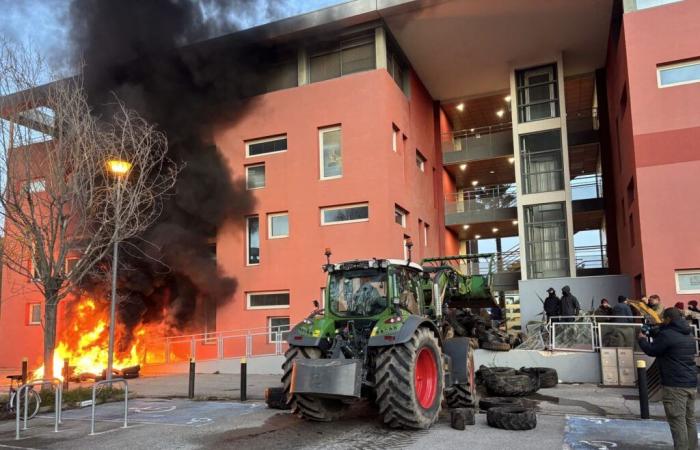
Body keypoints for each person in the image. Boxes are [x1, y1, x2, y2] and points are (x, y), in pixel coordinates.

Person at [638, 308, 697, 450]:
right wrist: (656, 330)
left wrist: (642, 339)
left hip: (674, 385)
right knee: (689, 419)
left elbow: (652, 350)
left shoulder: (668, 335)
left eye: (663, 319)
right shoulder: (687, 334)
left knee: (677, 421)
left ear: (668, 319)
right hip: (690, 382)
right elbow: (666, 339)